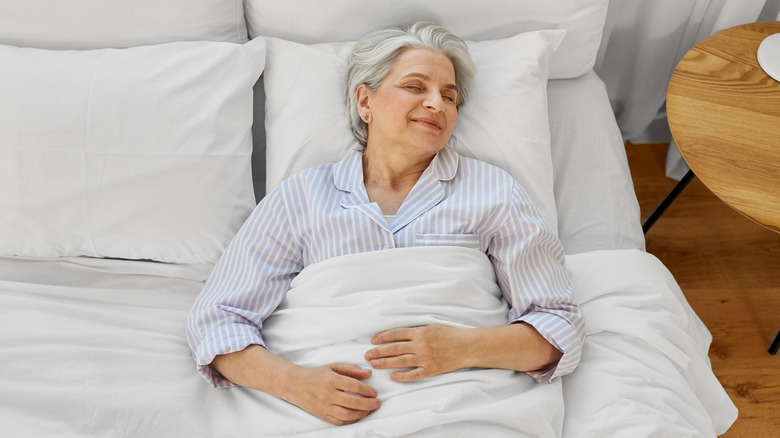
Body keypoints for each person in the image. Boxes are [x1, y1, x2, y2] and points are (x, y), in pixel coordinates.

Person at [186, 21, 584, 427]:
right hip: (320, 414)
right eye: (415, 86)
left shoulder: (493, 191)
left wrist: (464, 347)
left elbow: (557, 327)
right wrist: (297, 384)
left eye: (450, 96)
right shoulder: (300, 197)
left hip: (464, 406)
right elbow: (218, 321)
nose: (438, 104)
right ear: (365, 101)